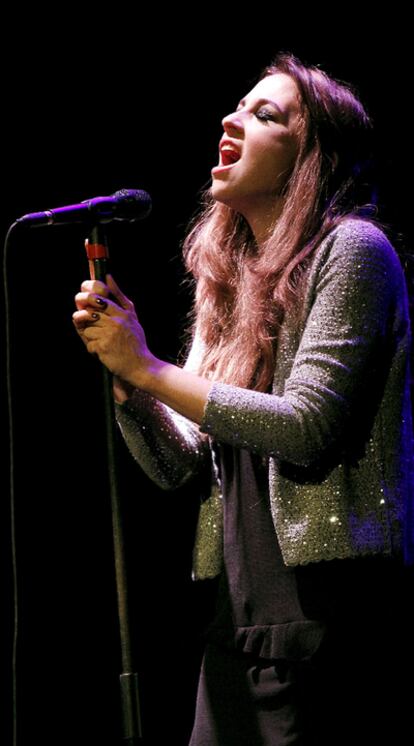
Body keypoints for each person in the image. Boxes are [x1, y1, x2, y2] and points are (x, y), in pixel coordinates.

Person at [72, 53, 414, 745]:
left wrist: (150, 368)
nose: (231, 119)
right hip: (237, 627)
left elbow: (306, 427)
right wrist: (132, 388)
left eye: (266, 114)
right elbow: (178, 465)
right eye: (237, 106)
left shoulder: (353, 251)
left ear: (311, 158)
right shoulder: (228, 288)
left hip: (328, 626)